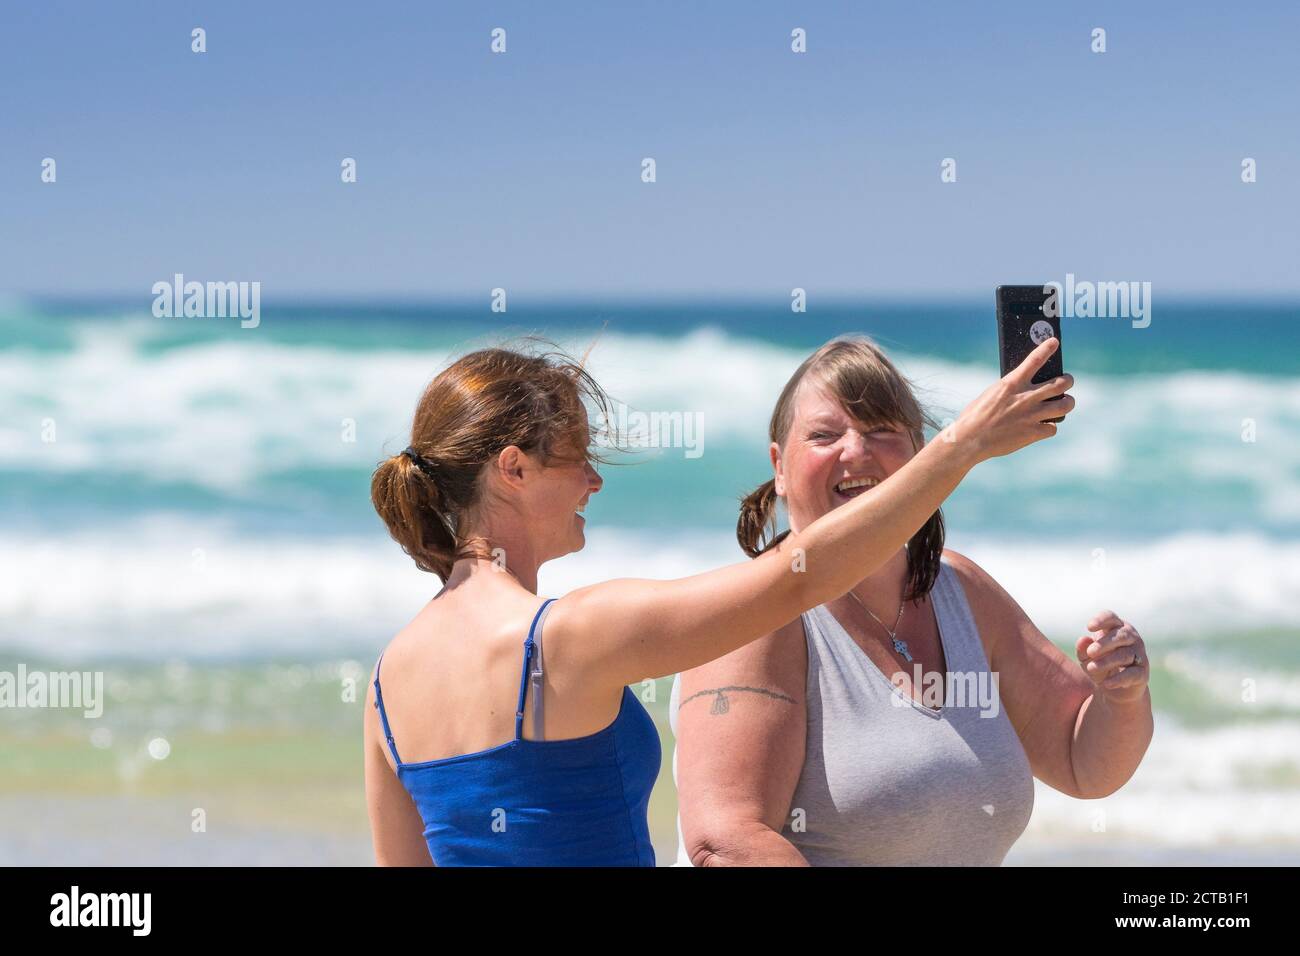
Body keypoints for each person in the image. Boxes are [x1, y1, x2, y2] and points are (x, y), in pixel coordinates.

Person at [364, 336, 1074, 865]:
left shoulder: (387, 681)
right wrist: (962, 446)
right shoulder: (570, 634)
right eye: (578, 457)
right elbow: (799, 577)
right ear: (512, 469)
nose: (594, 482)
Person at [670, 335, 1151, 866]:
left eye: (880, 430)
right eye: (825, 435)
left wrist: (1121, 696)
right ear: (779, 468)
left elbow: (1082, 760)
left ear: (918, 454)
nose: (855, 451)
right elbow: (726, 843)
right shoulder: (752, 617)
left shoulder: (960, 591)